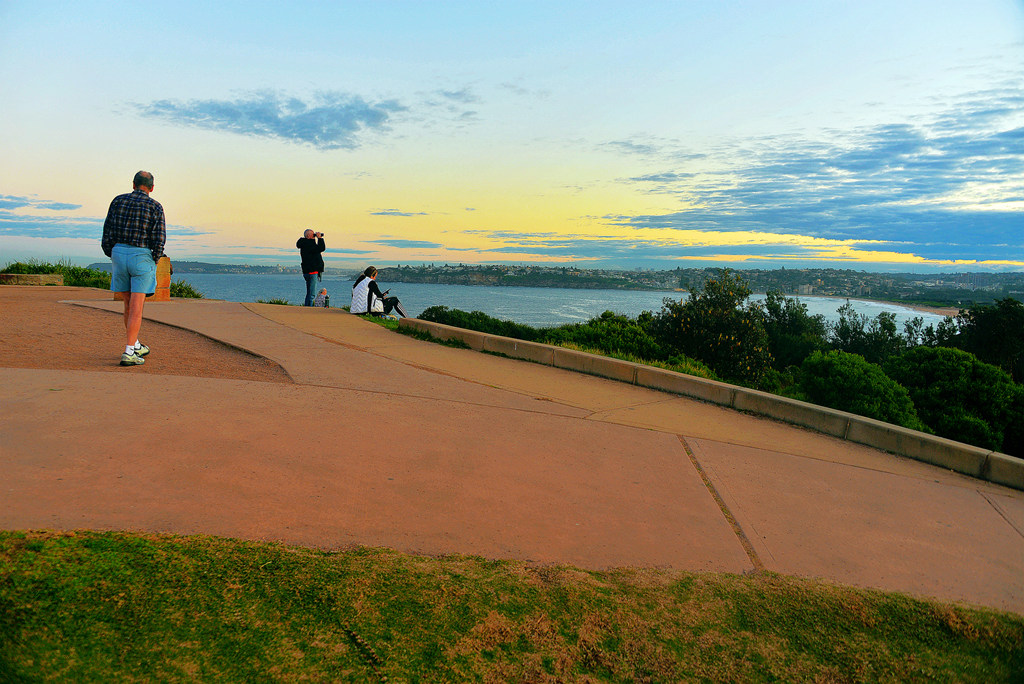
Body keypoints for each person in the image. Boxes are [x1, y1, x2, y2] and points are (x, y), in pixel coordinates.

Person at [101, 170, 166, 367]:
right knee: (137, 308)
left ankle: (135, 344)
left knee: (128, 306)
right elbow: (159, 238)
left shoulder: (118, 201)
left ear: (133, 184)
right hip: (141, 255)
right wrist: (154, 258)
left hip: (119, 253)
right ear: (152, 187)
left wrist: (112, 252)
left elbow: (107, 230)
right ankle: (129, 351)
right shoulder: (155, 206)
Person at [296, 229, 326, 306]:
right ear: (308, 236)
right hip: (312, 271)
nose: (314, 237)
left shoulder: (304, 244)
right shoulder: (309, 244)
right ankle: (309, 308)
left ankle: (307, 306)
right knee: (312, 293)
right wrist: (320, 238)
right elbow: (321, 248)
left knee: (309, 292)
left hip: (306, 271)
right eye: (313, 235)